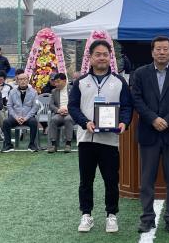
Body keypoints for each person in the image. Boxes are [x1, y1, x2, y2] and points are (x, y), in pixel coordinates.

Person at [69, 40, 132, 234]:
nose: (102, 57)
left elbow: (127, 106)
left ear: (110, 57)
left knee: (111, 180)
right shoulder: (81, 82)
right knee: (86, 181)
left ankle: (111, 215)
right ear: (90, 57)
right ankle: (86, 214)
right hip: (86, 139)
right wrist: (84, 122)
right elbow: (73, 107)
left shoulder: (119, 82)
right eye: (98, 54)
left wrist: (124, 122)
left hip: (110, 140)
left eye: (105, 54)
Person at [132, 36, 169, 234]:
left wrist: (168, 120)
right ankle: (147, 218)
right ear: (152, 52)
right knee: (146, 179)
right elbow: (136, 99)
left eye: (165, 49)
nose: (162, 52)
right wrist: (153, 119)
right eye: (158, 49)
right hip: (149, 133)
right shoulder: (140, 73)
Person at [1, 73, 40, 153]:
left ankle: (32, 145)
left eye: (25, 79)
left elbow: (35, 107)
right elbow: (9, 106)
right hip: (15, 116)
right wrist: (16, 117)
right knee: (6, 122)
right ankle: (8, 145)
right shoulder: (12, 92)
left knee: (34, 122)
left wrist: (26, 118)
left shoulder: (34, 92)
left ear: (28, 80)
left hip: (28, 117)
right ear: (17, 81)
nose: (23, 81)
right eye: (21, 79)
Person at [47, 73, 74, 153]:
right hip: (59, 113)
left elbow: (77, 102)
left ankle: (68, 144)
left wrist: (69, 110)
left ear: (65, 81)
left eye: (58, 82)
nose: (56, 84)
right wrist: (58, 110)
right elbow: (51, 105)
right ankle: (53, 144)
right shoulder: (54, 91)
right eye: (55, 82)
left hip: (71, 113)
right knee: (53, 120)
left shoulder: (73, 89)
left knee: (68, 119)